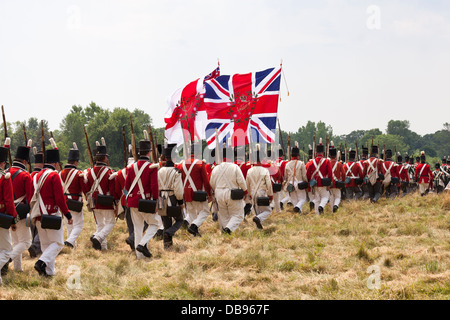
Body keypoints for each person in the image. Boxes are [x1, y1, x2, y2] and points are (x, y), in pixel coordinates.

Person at [30, 141, 73, 277]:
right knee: (59, 244)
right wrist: (68, 214)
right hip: (51, 215)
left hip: (38, 216)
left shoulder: (36, 175)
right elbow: (59, 199)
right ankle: (41, 262)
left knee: (46, 245)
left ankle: (49, 272)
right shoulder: (54, 175)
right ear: (55, 163)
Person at [125, 137, 161, 257]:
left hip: (132, 201)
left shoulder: (132, 167)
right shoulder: (152, 167)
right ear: (149, 152)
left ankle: (139, 256)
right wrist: (156, 201)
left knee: (137, 228)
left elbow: (127, 186)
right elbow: (154, 186)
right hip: (146, 201)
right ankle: (142, 244)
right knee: (155, 224)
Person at [84, 139, 117, 251]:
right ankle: (98, 237)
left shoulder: (89, 171)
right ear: (104, 158)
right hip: (106, 201)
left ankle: (103, 247)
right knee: (110, 223)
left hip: (94, 201)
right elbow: (112, 189)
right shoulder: (109, 171)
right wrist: (115, 201)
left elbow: (87, 188)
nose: (107, 159)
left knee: (100, 225)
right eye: (106, 157)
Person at [177, 141, 213, 237]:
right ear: (198, 153)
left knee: (192, 214)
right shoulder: (200, 164)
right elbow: (205, 181)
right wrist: (210, 194)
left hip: (186, 194)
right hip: (198, 193)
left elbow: (180, 181)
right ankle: (194, 226)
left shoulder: (181, 165)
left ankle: (194, 235)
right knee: (205, 211)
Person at [209, 146, 247, 234]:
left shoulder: (216, 168)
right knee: (238, 215)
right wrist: (245, 191)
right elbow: (241, 181)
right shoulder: (235, 167)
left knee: (223, 215)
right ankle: (228, 229)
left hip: (219, 193)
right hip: (232, 193)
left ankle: (225, 233)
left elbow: (212, 183)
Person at [8, 140, 33, 272]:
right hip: (21, 212)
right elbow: (30, 196)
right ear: (24, 161)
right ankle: (7, 259)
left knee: (16, 242)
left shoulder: (6, 172)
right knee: (26, 242)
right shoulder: (25, 175)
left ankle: (18, 268)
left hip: (7, 211)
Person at [157, 143, 184, 250]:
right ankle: (169, 233)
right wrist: (181, 202)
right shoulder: (176, 172)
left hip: (160, 198)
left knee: (166, 222)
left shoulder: (159, 171)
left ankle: (167, 246)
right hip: (171, 197)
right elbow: (178, 190)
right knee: (180, 220)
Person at [59, 143, 86, 249]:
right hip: (75, 201)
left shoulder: (60, 173)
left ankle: (72, 248)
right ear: (75, 162)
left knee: (69, 226)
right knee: (78, 226)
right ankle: (70, 241)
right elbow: (84, 188)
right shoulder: (78, 173)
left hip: (64, 202)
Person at [0, 143, 18, 285]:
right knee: (6, 251)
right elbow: (9, 201)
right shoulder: (4, 177)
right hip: (1, 217)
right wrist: (13, 219)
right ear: (3, 162)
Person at [246, 144, 273, 229]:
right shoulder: (265, 170)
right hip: (262, 192)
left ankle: (259, 229)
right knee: (268, 211)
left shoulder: (249, 171)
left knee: (257, 212)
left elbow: (247, 184)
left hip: (253, 194)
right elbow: (269, 184)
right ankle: (258, 219)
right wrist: (270, 195)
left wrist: (249, 194)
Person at [306, 138, 332, 215]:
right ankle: (321, 206)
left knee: (317, 199)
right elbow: (330, 173)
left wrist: (309, 183)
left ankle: (317, 215)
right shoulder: (327, 161)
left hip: (314, 184)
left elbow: (307, 174)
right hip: (323, 183)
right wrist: (329, 184)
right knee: (325, 197)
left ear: (316, 152)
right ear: (323, 152)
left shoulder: (311, 162)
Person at [284, 142, 308, 214]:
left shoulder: (287, 164)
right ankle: (297, 208)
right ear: (298, 155)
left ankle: (298, 212)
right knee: (302, 199)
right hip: (299, 183)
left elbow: (286, 176)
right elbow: (304, 175)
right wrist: (306, 182)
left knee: (294, 199)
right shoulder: (301, 163)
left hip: (290, 184)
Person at [28, 149, 43, 258]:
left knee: (33, 227)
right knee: (41, 227)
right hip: (41, 204)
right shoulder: (42, 175)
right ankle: (35, 246)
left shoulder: (30, 174)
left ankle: (35, 246)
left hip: (29, 203)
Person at [329, 143, 346, 212]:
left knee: (331, 197)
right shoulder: (339, 164)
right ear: (336, 155)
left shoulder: (328, 163)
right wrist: (343, 182)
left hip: (330, 183)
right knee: (338, 197)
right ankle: (335, 205)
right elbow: (344, 174)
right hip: (337, 183)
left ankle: (332, 210)